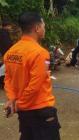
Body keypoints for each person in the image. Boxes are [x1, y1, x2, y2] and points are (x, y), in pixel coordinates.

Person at [3, 12, 60, 140]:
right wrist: (19, 104)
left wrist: (13, 99)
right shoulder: (41, 53)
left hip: (24, 113)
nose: (44, 29)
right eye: (43, 26)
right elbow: (35, 85)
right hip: (41, 111)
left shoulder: (10, 52)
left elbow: (8, 79)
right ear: (37, 28)